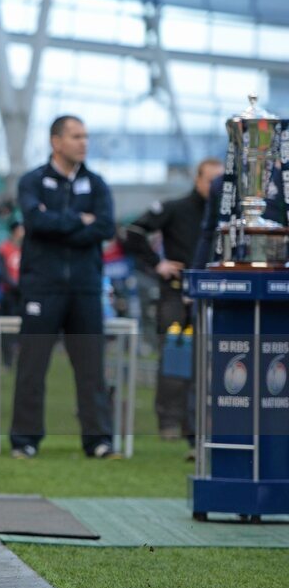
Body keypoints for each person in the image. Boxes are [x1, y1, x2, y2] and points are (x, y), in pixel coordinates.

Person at [9, 115, 119, 459]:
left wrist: (60, 224)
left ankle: (97, 440)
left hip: (85, 289)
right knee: (32, 367)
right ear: (56, 142)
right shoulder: (33, 181)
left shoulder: (97, 184)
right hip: (42, 288)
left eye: (85, 136)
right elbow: (35, 221)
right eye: (75, 136)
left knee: (91, 369)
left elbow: (103, 228)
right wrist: (76, 221)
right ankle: (25, 441)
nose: (83, 142)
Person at [123, 158, 223, 441]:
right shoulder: (176, 208)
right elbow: (134, 232)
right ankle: (168, 421)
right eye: (211, 180)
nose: (216, 187)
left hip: (211, 297)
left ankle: (197, 424)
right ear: (198, 180)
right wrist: (158, 264)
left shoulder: (225, 215)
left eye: (221, 182)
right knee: (174, 358)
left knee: (208, 360)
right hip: (176, 294)